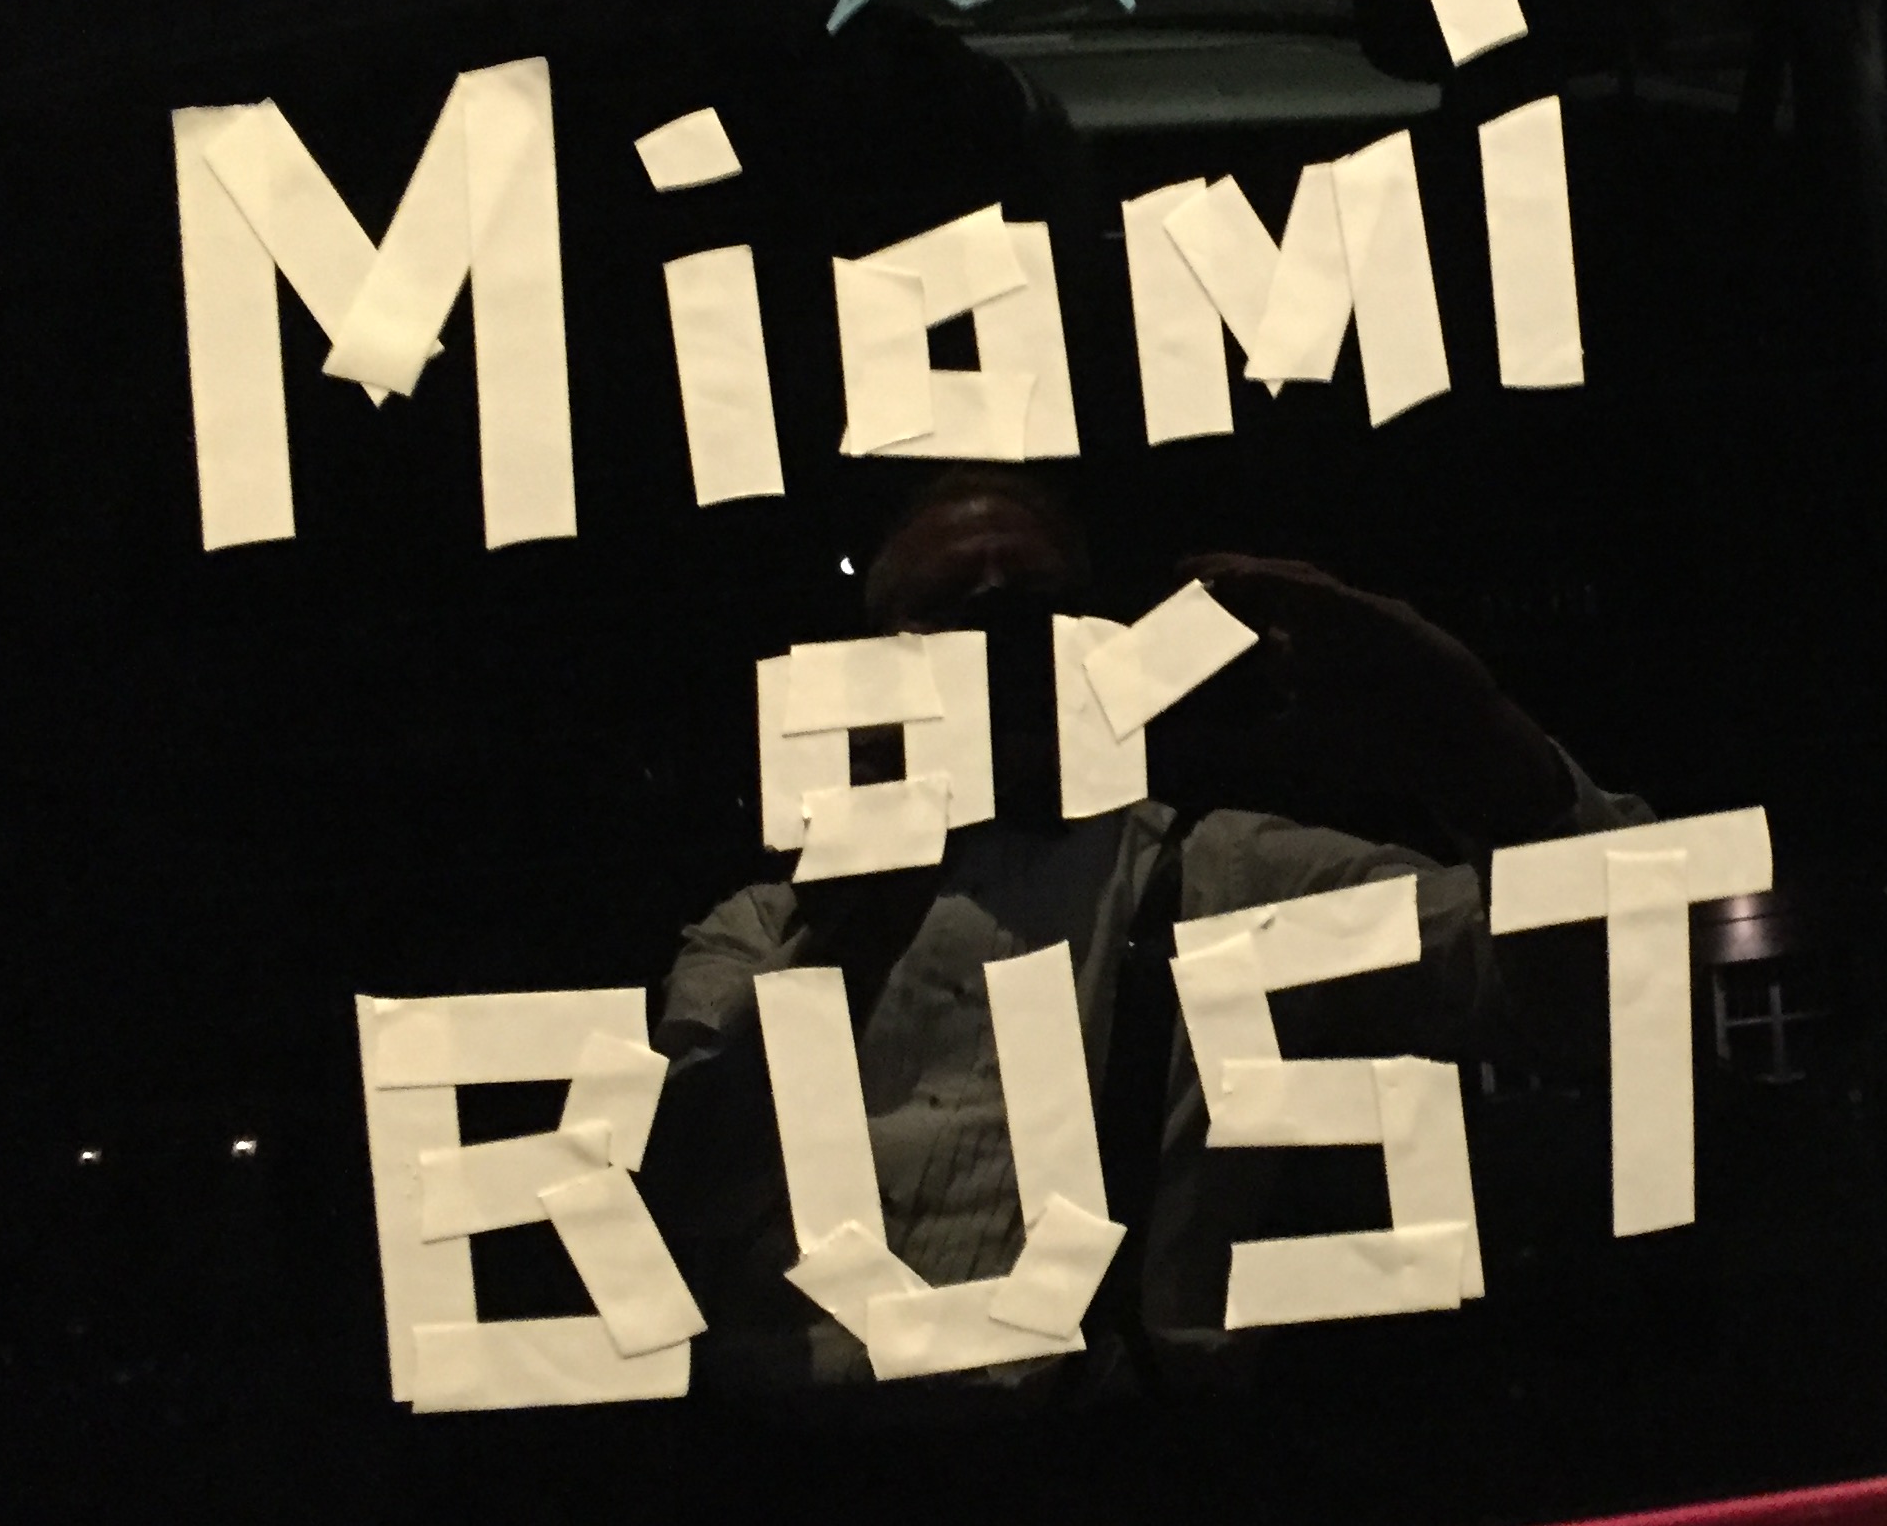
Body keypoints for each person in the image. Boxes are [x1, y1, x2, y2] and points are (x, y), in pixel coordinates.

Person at [648, 468, 1648, 1395]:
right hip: (796, 1477)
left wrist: (1469, 732)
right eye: (950, 610)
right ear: (871, 666)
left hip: (1115, 1465)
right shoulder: (762, 926)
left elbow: (1607, 994)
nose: (998, 630)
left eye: (1031, 604)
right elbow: (667, 1192)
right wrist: (877, 880)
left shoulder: (1223, 882)